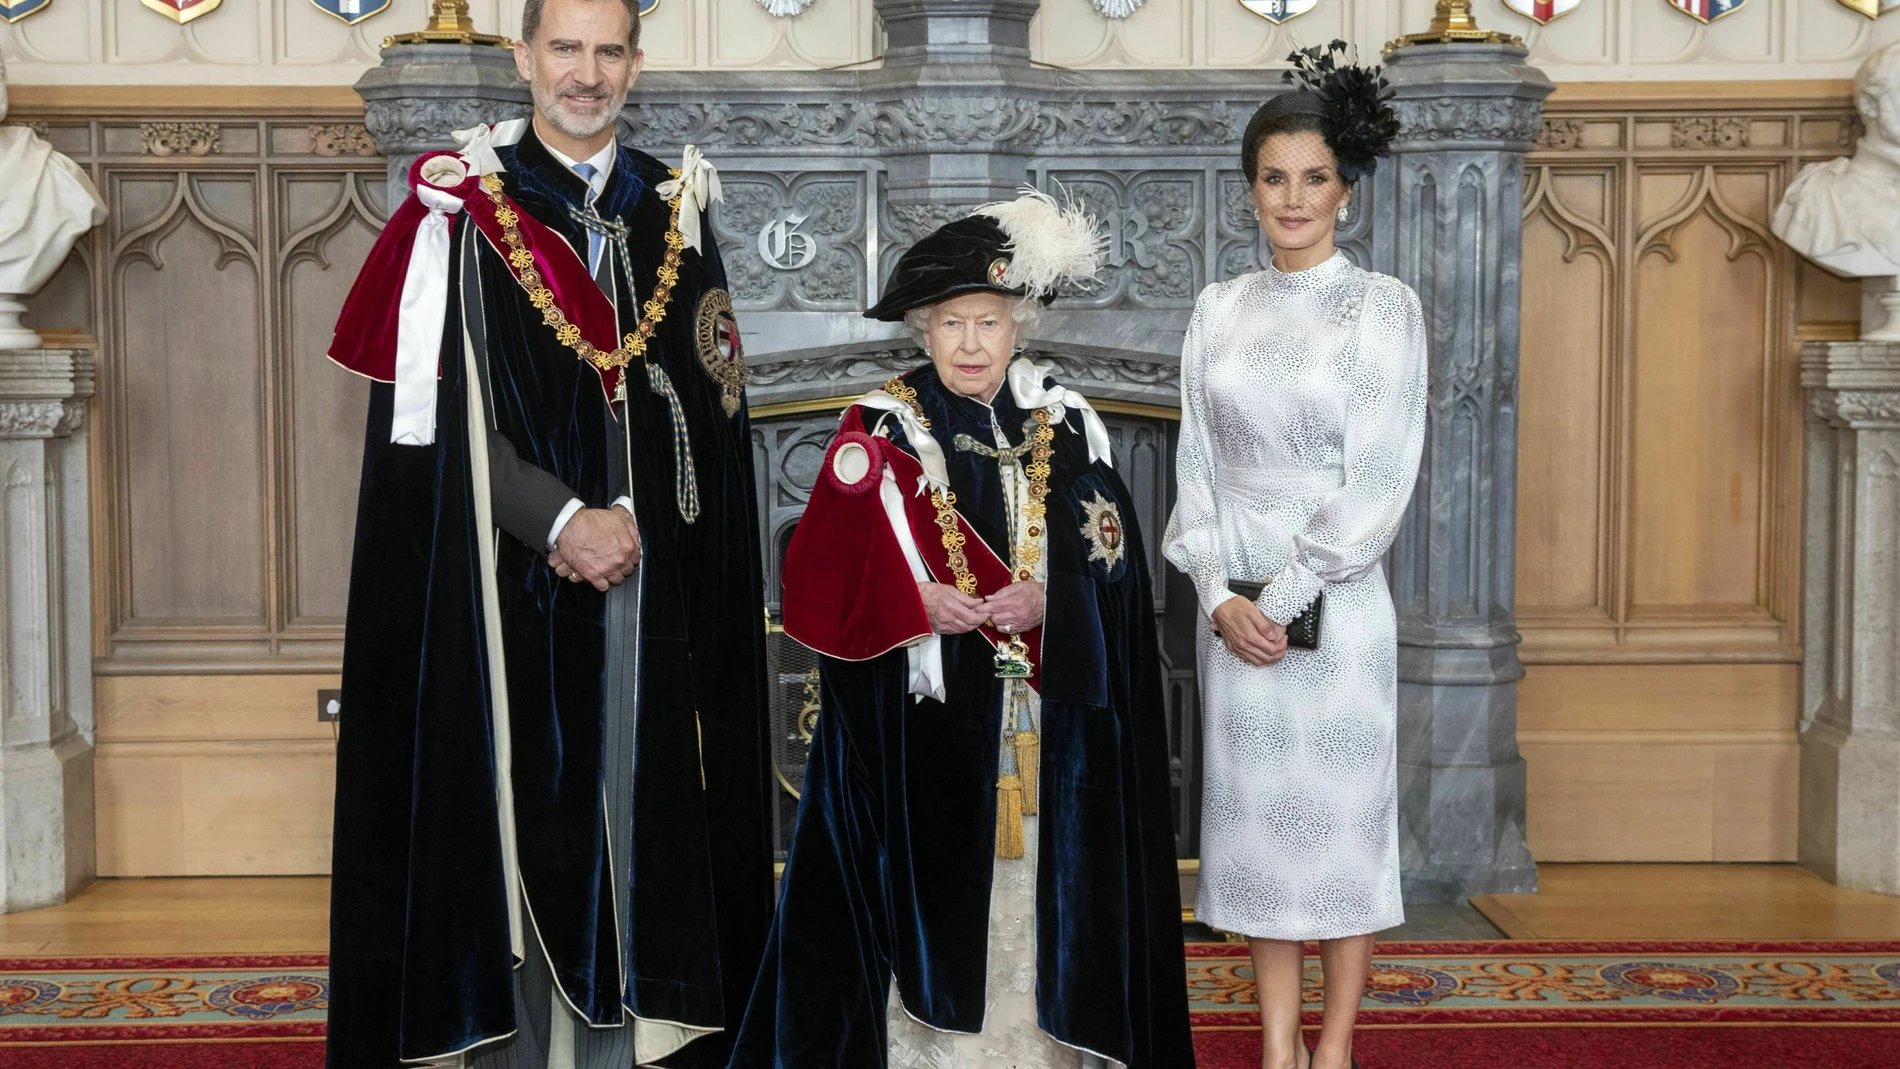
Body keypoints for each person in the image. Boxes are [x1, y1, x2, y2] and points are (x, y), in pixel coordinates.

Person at [321, 1, 773, 1066]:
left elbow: (709, 411)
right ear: (522, 58)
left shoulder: (674, 211)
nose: (586, 73)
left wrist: (641, 528)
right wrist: (563, 519)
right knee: (527, 828)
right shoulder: (463, 214)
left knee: (647, 822)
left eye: (607, 50)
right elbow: (428, 434)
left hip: (650, 599)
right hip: (505, 598)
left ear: (635, 63)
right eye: (564, 49)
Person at [730, 192, 1195, 1069]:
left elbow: (1121, 571)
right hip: (919, 739)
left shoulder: (1069, 425)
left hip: (1047, 732)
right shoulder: (881, 429)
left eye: (989, 321)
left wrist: (1053, 599)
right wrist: (916, 603)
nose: (973, 344)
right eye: (953, 323)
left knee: (1036, 907)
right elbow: (816, 583)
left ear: (1018, 324)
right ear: (922, 328)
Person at [1162, 42, 1422, 1069]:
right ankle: (1277, 1049)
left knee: (1344, 838)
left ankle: (1336, 1048)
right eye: (1274, 177)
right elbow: (1193, 464)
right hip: (1234, 611)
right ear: (1251, 190)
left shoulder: (1382, 308)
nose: (1293, 196)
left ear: (1345, 193)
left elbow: (1380, 475)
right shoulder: (1216, 308)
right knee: (1263, 839)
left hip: (1338, 609)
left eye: (1314, 177)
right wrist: (1216, 591)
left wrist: (1289, 589)